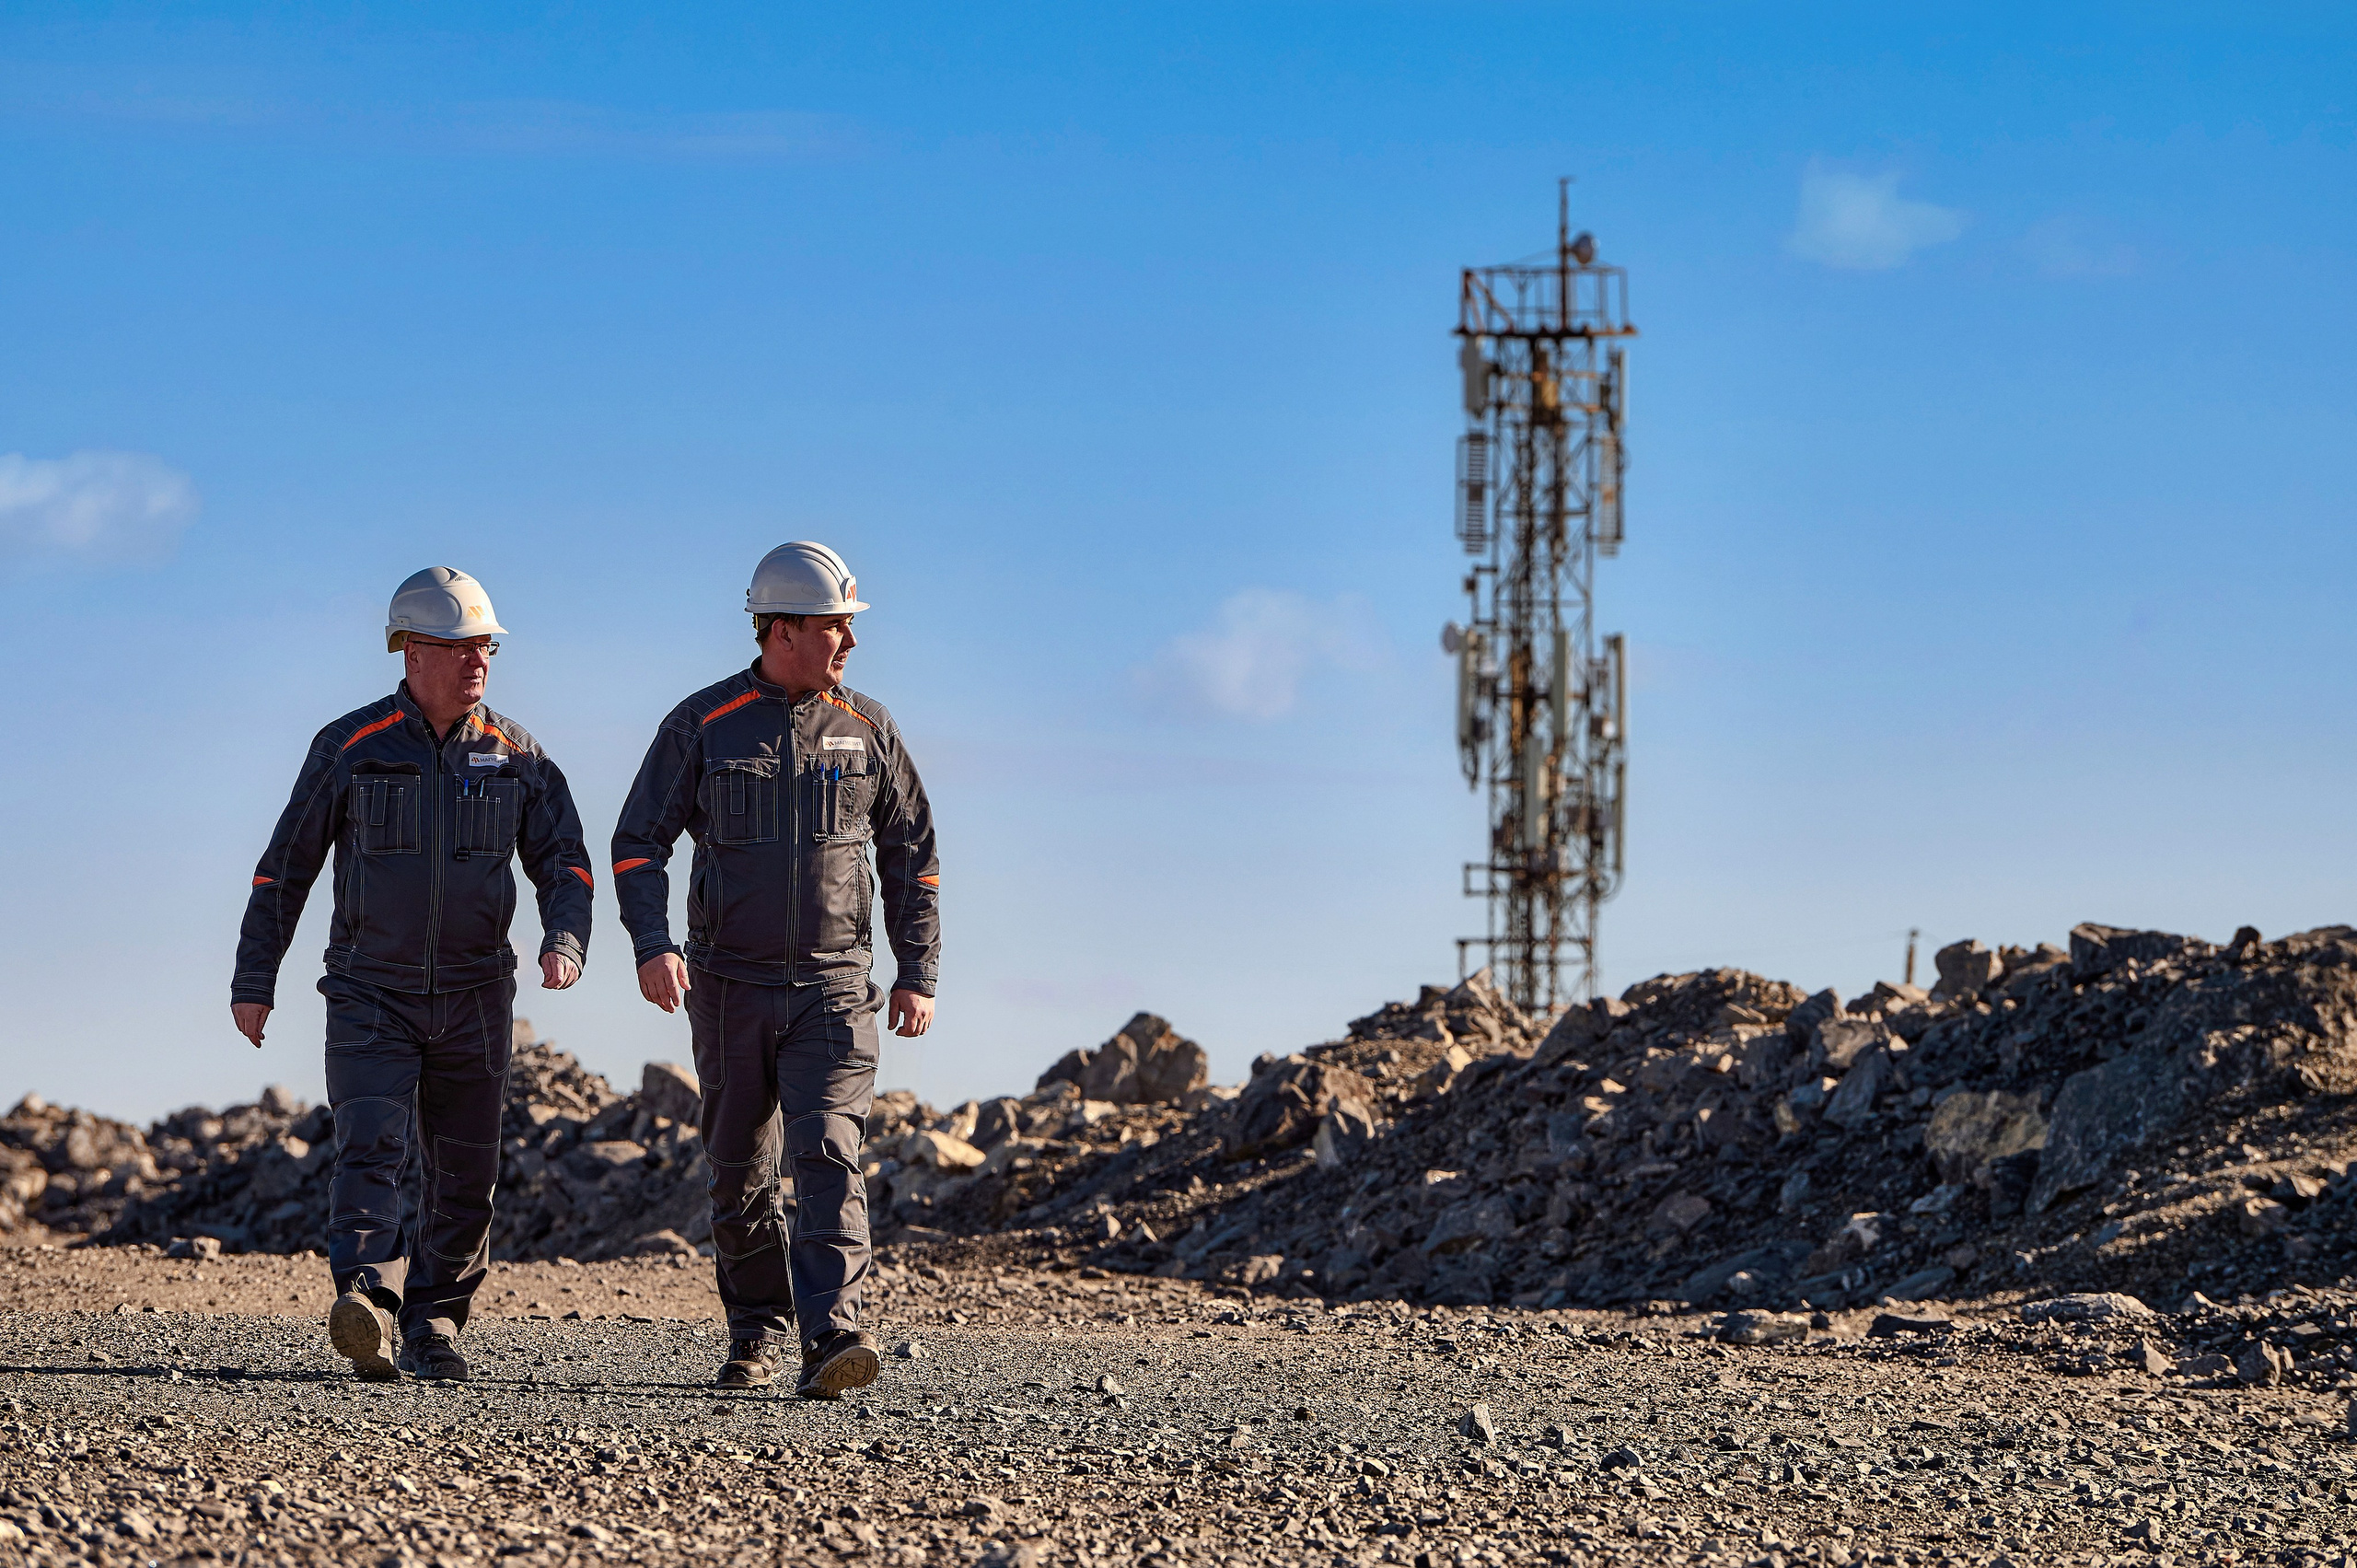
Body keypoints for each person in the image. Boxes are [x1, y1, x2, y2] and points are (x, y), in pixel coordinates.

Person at [230, 568, 594, 1382]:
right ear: (412, 651)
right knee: (371, 1147)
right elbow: (282, 870)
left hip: (475, 995)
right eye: (462, 648)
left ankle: (436, 1323)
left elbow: (566, 862)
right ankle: (369, 1301)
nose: (479, 662)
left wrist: (565, 938)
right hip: (369, 990)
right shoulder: (349, 747)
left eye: (486, 648)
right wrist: (257, 976)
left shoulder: (518, 755)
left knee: (467, 1170)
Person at [612, 540, 940, 1398]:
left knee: (830, 1150)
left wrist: (919, 970)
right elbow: (636, 842)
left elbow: (914, 851)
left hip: (835, 988)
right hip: (727, 988)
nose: (851, 643)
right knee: (737, 1167)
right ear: (783, 628)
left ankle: (833, 1336)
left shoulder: (870, 728)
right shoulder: (703, 724)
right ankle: (756, 1330)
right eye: (837, 625)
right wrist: (655, 946)